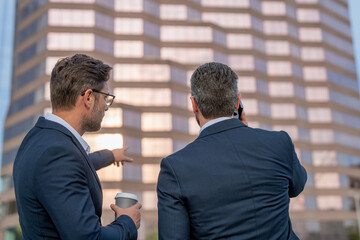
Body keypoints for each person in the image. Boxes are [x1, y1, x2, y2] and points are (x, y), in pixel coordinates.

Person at [157, 62, 307, 239]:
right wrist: (246, 134)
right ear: (237, 102)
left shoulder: (175, 168)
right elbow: (296, 187)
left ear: (194, 104)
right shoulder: (279, 143)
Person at [13, 54, 141, 240]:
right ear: (89, 97)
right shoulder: (58, 154)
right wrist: (127, 222)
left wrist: (111, 155)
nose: (106, 107)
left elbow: (80, 164)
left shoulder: (41, 138)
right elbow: (89, 237)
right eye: (106, 98)